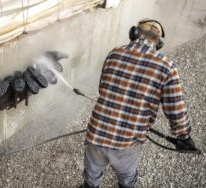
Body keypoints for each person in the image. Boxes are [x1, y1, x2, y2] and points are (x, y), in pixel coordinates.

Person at [79, 19, 197, 188]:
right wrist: (183, 136)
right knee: (127, 178)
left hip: (96, 133)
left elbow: (102, 89)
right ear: (158, 43)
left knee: (91, 175)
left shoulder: (114, 53)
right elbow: (175, 110)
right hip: (126, 142)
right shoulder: (166, 67)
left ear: (134, 33)